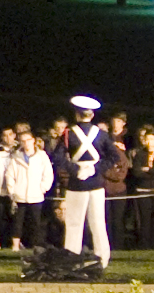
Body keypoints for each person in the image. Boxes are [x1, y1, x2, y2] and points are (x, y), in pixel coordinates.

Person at [47, 94, 114, 263]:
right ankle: (102, 258)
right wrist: (95, 168)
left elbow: (57, 157)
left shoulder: (69, 133)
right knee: (98, 223)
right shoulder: (102, 134)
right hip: (97, 182)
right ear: (92, 115)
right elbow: (113, 157)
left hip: (77, 184)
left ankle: (71, 257)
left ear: (77, 114)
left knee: (74, 223)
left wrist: (75, 169)